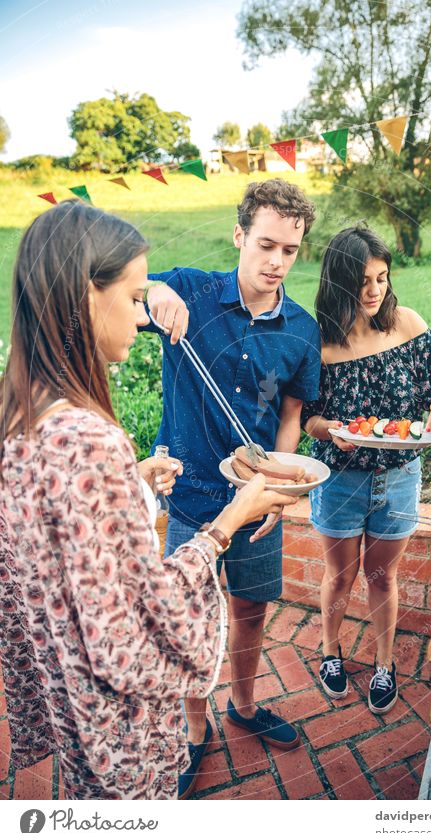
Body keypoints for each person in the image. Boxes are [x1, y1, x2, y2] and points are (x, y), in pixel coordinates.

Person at [0, 200, 296, 799]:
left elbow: (58, 547)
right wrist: (233, 517)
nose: (141, 319)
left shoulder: (23, 409)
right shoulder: (88, 440)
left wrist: (129, 482)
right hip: (124, 730)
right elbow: (134, 632)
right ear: (88, 295)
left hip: (74, 707)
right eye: (135, 297)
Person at [143, 179, 321, 796]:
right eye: (265, 245)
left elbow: (292, 417)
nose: (276, 262)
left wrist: (280, 484)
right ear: (240, 236)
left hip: (258, 504)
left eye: (290, 250)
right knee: (186, 622)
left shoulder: (301, 327)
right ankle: (196, 731)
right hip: (190, 495)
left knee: (250, 612)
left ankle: (243, 706)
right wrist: (152, 287)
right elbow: (113, 288)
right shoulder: (189, 289)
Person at [302, 225, 431, 714]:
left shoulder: (407, 325)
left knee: (381, 576)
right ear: (338, 282)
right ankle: (330, 652)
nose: (375, 290)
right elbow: (307, 417)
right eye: (363, 280)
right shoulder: (320, 344)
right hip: (339, 482)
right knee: (339, 575)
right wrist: (329, 428)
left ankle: (384, 663)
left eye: (382, 277)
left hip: (399, 479)